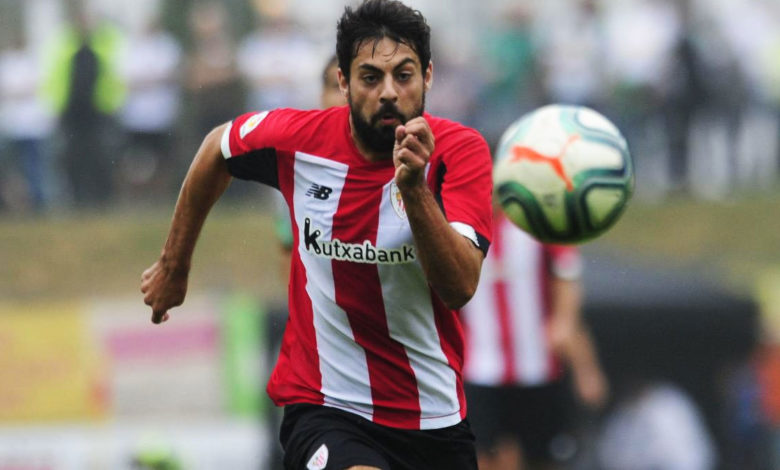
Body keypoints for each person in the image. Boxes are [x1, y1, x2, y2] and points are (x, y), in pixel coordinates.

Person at [140, 1, 493, 469]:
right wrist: (174, 265)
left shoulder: (460, 152)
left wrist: (414, 191)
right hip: (327, 407)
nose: (389, 92)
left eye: (404, 75)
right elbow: (216, 148)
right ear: (344, 82)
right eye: (370, 77)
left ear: (427, 76)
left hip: (434, 418)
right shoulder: (298, 140)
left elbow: (459, 287)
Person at [460, 208, 609, 470]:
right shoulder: (460, 226)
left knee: (541, 457)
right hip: (479, 369)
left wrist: (585, 367)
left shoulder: (538, 223)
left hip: (538, 367)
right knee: (484, 456)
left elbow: (567, 282)